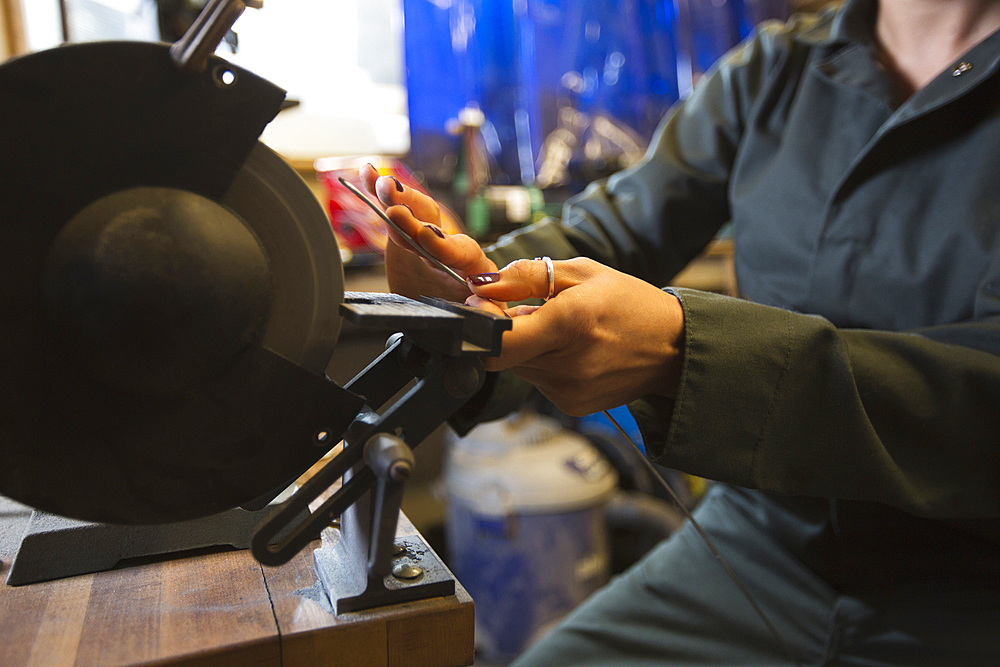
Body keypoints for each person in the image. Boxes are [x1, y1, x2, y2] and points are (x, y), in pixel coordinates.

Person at [362, 0, 1000, 663]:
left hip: (973, 584)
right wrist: (478, 286)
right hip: (761, 547)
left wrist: (688, 353)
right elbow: (613, 231)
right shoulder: (771, 71)